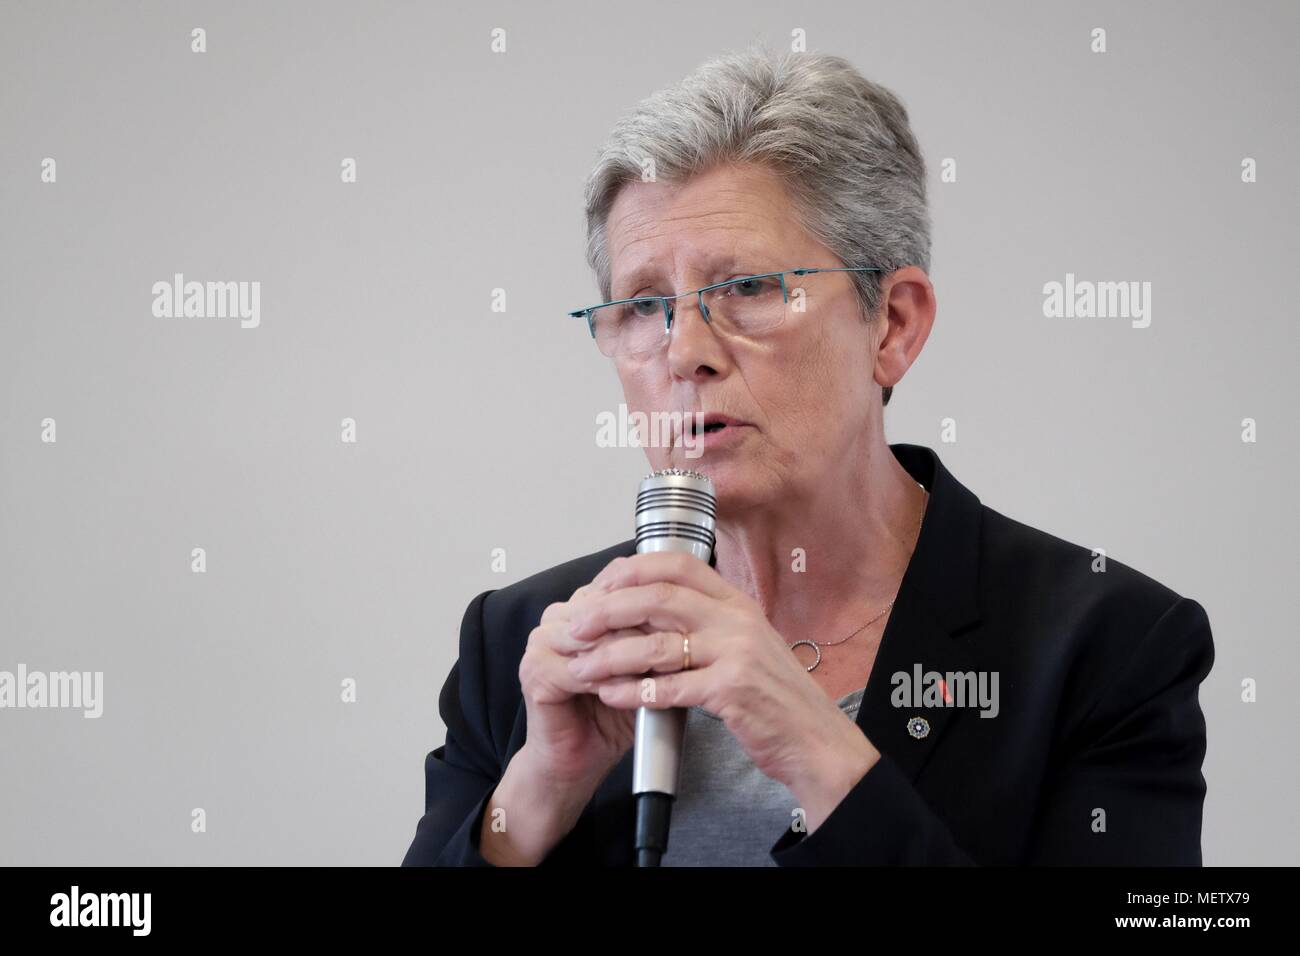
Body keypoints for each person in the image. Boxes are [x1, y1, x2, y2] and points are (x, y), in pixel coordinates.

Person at [401, 45, 1213, 866]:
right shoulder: (517, 645)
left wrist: (819, 754)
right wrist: (537, 791)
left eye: (747, 288)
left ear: (892, 324)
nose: (684, 351)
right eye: (645, 304)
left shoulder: (1107, 646)